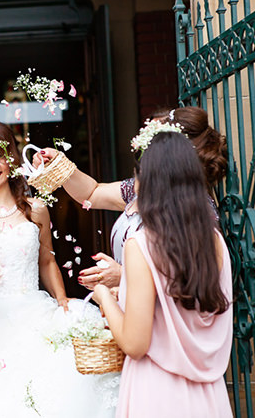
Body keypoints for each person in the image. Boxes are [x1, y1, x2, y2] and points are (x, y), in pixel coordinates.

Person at [0, 122, 117, 417]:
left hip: (33, 319)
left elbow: (46, 260)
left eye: (0, 156)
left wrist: (62, 302)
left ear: (12, 160)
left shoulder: (36, 209)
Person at [92, 131, 232, 417]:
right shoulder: (215, 242)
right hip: (209, 396)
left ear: (146, 180)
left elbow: (135, 344)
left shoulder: (141, 244)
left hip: (156, 392)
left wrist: (105, 297)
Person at [37, 106, 227, 289]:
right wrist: (58, 163)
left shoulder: (195, 208)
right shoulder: (141, 190)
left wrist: (122, 276)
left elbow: (188, 282)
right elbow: (92, 193)